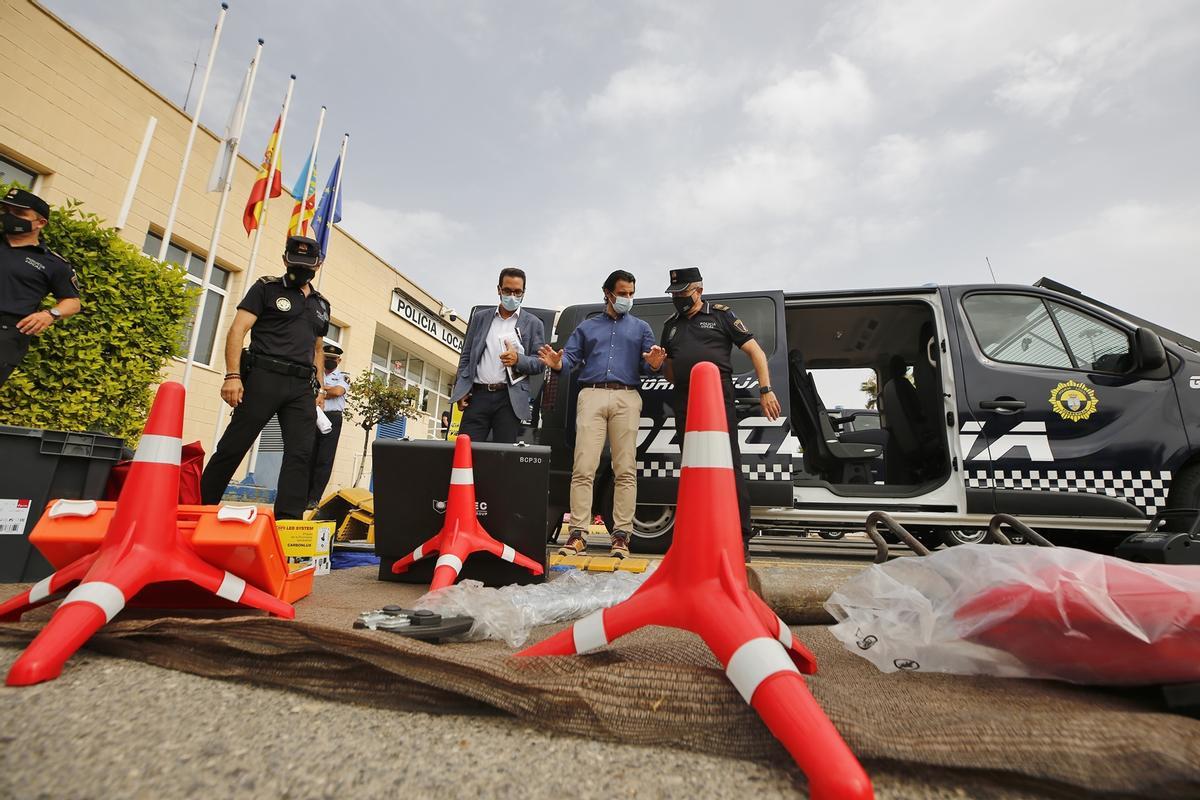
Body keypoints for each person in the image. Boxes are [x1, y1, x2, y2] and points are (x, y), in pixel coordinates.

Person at [200, 235, 331, 520]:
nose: (301, 268)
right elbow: (238, 330)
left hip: (301, 387)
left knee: (300, 453)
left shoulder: (322, 304)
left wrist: (320, 389)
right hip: (264, 376)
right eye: (295, 261)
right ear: (285, 259)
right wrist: (232, 375)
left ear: (318, 264)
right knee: (234, 445)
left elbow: (318, 349)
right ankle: (199, 509)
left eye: (307, 263)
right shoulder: (266, 288)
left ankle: (288, 522)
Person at [539, 269, 665, 558]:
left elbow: (648, 365)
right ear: (608, 293)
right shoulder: (587, 327)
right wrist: (557, 364)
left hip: (627, 396)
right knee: (583, 467)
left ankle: (621, 536)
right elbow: (569, 359)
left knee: (625, 469)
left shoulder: (642, 328)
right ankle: (577, 534)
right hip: (592, 394)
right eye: (622, 293)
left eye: (631, 294)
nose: (627, 298)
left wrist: (655, 364)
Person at [660, 267, 781, 560]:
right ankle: (698, 539)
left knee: (728, 467)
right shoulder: (671, 326)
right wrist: (658, 364)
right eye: (674, 294)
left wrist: (766, 390)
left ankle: (740, 539)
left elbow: (756, 352)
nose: (678, 298)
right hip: (685, 399)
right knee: (692, 468)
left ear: (699, 291)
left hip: (716, 397)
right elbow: (671, 375)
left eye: (683, 292)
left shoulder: (720, 315)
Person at [449, 267, 546, 444]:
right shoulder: (480, 318)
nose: (512, 296)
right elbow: (466, 357)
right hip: (477, 396)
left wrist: (518, 359)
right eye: (507, 290)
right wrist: (461, 390)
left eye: (517, 292)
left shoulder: (533, 324)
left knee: (503, 454)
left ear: (524, 292)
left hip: (509, 400)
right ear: (499, 289)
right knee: (466, 450)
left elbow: (539, 363)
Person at [0, 188, 81, 387]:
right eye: (6, 210)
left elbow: (72, 303)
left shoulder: (53, 264)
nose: (10, 216)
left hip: (6, 336)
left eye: (19, 213)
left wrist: (50, 314)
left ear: (41, 223)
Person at [307, 342, 349, 509]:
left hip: (332, 418)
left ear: (339, 360)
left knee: (324, 459)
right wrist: (326, 390)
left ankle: (314, 498)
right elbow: (310, 390)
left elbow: (338, 392)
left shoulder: (343, 377)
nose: (330, 361)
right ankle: (303, 495)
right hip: (314, 416)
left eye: (333, 359)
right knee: (308, 456)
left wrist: (319, 390)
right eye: (327, 358)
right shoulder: (314, 373)